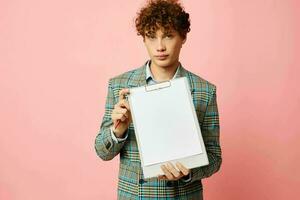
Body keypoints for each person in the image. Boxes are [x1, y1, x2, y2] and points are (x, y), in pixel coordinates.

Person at [94, 0, 222, 199]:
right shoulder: (120, 86)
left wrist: (188, 173)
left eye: (169, 36)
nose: (160, 46)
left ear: (183, 37)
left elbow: (214, 158)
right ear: (143, 39)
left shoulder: (204, 91)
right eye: (152, 37)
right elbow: (102, 152)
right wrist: (118, 130)